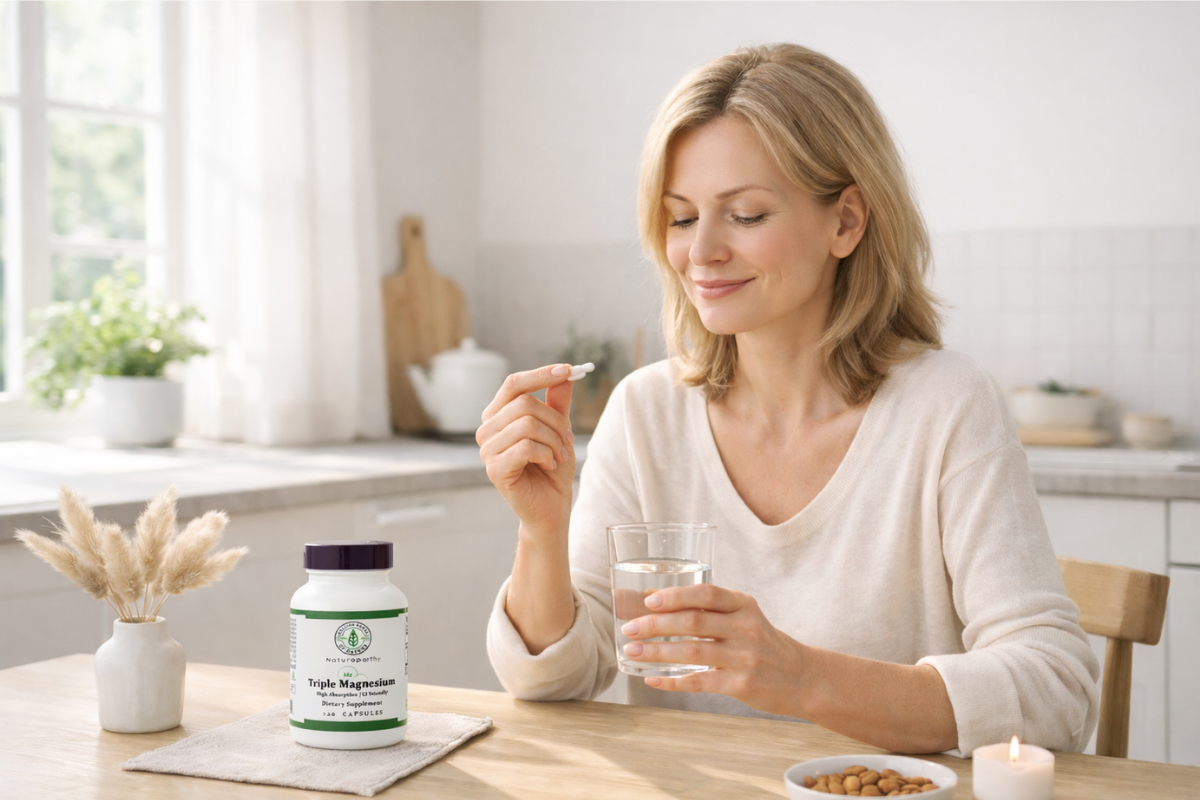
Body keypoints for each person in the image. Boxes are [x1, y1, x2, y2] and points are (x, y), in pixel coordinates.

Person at [476, 43, 1099, 756]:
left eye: (743, 215)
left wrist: (798, 677)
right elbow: (559, 679)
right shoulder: (645, 413)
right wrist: (540, 532)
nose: (701, 252)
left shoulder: (947, 407)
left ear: (846, 223)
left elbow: (1056, 691)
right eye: (681, 218)